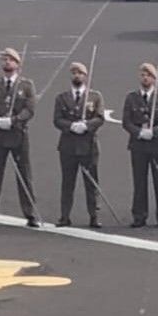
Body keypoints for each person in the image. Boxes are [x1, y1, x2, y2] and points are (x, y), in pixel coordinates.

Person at [0, 47, 40, 227]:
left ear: (17, 64)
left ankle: (30, 214)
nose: (7, 62)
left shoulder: (26, 86)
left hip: (18, 134)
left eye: (11, 60)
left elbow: (29, 110)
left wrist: (14, 120)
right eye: (4, 59)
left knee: (24, 175)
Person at [53, 61, 106, 228]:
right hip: (68, 146)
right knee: (67, 183)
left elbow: (99, 118)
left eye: (80, 73)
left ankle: (94, 216)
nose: (77, 75)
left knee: (91, 183)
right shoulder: (62, 97)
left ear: (85, 76)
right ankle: (64, 216)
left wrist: (87, 125)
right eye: (74, 73)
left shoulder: (95, 96)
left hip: (88, 146)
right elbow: (57, 119)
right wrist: (71, 126)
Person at [121, 62, 158, 228]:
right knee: (139, 182)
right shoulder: (131, 97)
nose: (145, 78)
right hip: (138, 146)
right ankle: (139, 216)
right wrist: (138, 132)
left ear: (154, 78)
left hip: (157, 146)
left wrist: (155, 131)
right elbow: (126, 121)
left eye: (148, 75)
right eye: (143, 75)